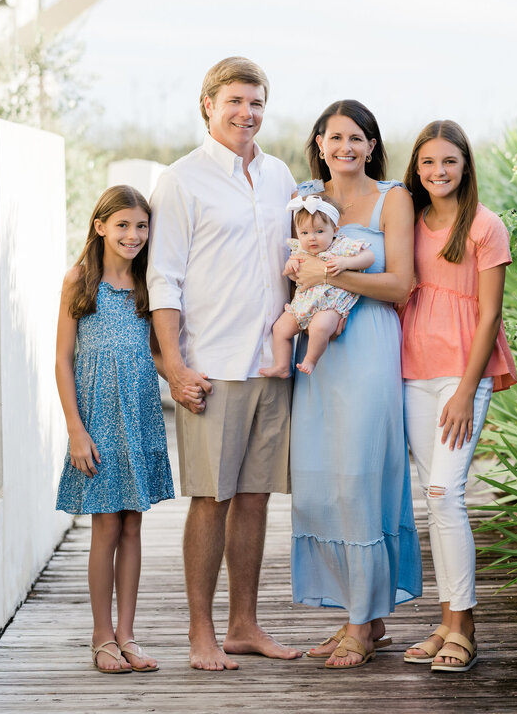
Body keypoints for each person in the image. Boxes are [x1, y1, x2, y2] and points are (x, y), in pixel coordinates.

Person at [146, 56, 302, 671]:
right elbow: (164, 279)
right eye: (235, 100)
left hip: (269, 362)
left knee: (256, 497)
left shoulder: (281, 174)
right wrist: (175, 366)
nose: (247, 112)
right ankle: (200, 633)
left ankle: (244, 624)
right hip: (211, 365)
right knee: (210, 498)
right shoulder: (181, 180)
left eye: (257, 102)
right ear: (208, 105)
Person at [288, 100, 423, 669]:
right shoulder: (303, 198)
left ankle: (362, 624)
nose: (345, 147)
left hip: (367, 344)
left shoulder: (395, 198)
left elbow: (401, 285)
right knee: (322, 480)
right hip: (316, 353)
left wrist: (333, 272)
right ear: (319, 142)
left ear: (372, 146)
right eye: (334, 137)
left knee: (361, 477)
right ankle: (361, 616)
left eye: (356, 138)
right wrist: (302, 271)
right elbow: (291, 263)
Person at [398, 120, 517, 672]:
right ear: (416, 169)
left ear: (465, 164)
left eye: (448, 161)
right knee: (433, 497)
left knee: (446, 493)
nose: (437, 172)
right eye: (427, 163)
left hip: (462, 376)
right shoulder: (410, 220)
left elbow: (490, 312)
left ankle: (464, 627)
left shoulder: (484, 227)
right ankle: (447, 622)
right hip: (411, 369)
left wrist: (466, 392)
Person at [54, 185, 177, 674]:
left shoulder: (150, 285)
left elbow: (154, 354)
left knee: (133, 524)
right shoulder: (79, 280)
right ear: (100, 225)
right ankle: (101, 636)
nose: (133, 235)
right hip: (98, 419)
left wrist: (185, 382)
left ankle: (128, 634)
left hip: (140, 414)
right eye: (123, 224)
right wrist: (75, 429)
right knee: (105, 524)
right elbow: (63, 360)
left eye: (142, 226)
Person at [259, 194, 373, 377]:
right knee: (280, 329)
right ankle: (282, 365)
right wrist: (291, 266)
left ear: (334, 230)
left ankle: (311, 360)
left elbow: (369, 257)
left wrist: (346, 263)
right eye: (304, 233)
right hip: (303, 303)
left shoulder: (341, 246)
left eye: (319, 231)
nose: (311, 238)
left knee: (318, 328)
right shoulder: (300, 250)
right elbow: (289, 272)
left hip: (329, 305)